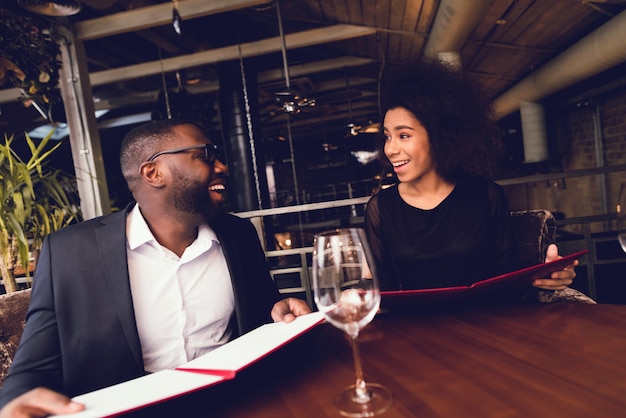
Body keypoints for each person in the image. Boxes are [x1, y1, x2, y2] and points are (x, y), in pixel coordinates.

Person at [0, 119, 311, 417]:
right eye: (205, 155)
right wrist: (15, 401)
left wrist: (278, 309)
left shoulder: (238, 235)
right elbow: (33, 367)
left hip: (242, 403)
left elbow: (261, 312)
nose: (221, 166)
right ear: (153, 172)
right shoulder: (70, 252)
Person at [364, 60, 577, 294]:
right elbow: (383, 294)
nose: (390, 149)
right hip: (417, 328)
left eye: (403, 135)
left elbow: (508, 277)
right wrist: (359, 292)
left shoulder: (486, 195)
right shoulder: (380, 209)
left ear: (439, 136)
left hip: (486, 323)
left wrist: (548, 277)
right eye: (387, 137)